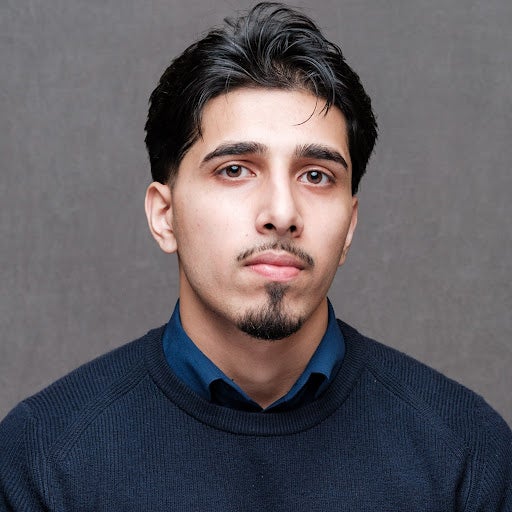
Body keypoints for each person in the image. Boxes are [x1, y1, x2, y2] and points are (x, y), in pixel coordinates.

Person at [1, 2, 510, 510]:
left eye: (316, 176)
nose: (282, 213)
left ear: (350, 225)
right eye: (235, 170)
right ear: (165, 216)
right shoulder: (43, 459)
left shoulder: (466, 454)